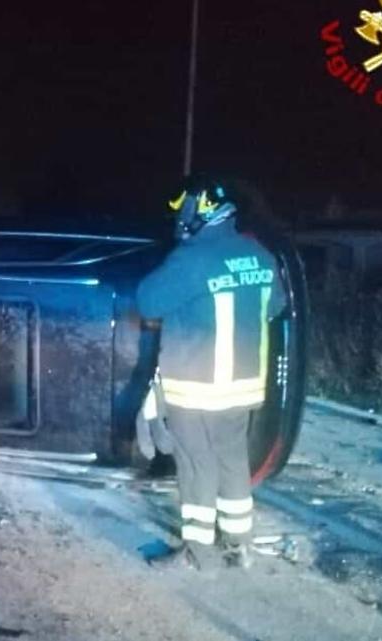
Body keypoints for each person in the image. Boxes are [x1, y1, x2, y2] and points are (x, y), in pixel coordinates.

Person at [136, 176, 287, 570]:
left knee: (195, 466)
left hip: (196, 388)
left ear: (197, 211)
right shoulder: (260, 256)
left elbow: (147, 301)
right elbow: (274, 308)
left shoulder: (192, 258)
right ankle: (239, 546)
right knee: (232, 461)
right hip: (243, 389)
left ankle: (199, 554)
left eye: (181, 208)